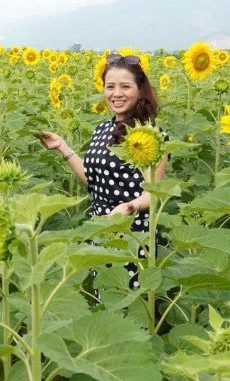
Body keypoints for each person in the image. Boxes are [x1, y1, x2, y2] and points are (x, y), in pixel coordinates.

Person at [38, 53, 168, 290]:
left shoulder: (151, 134)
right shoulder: (102, 130)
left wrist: (129, 207)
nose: (116, 94)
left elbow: (154, 193)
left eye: (125, 86)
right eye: (110, 86)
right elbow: (93, 179)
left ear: (140, 90)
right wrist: (62, 147)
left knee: (131, 305)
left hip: (133, 234)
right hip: (101, 228)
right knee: (105, 295)